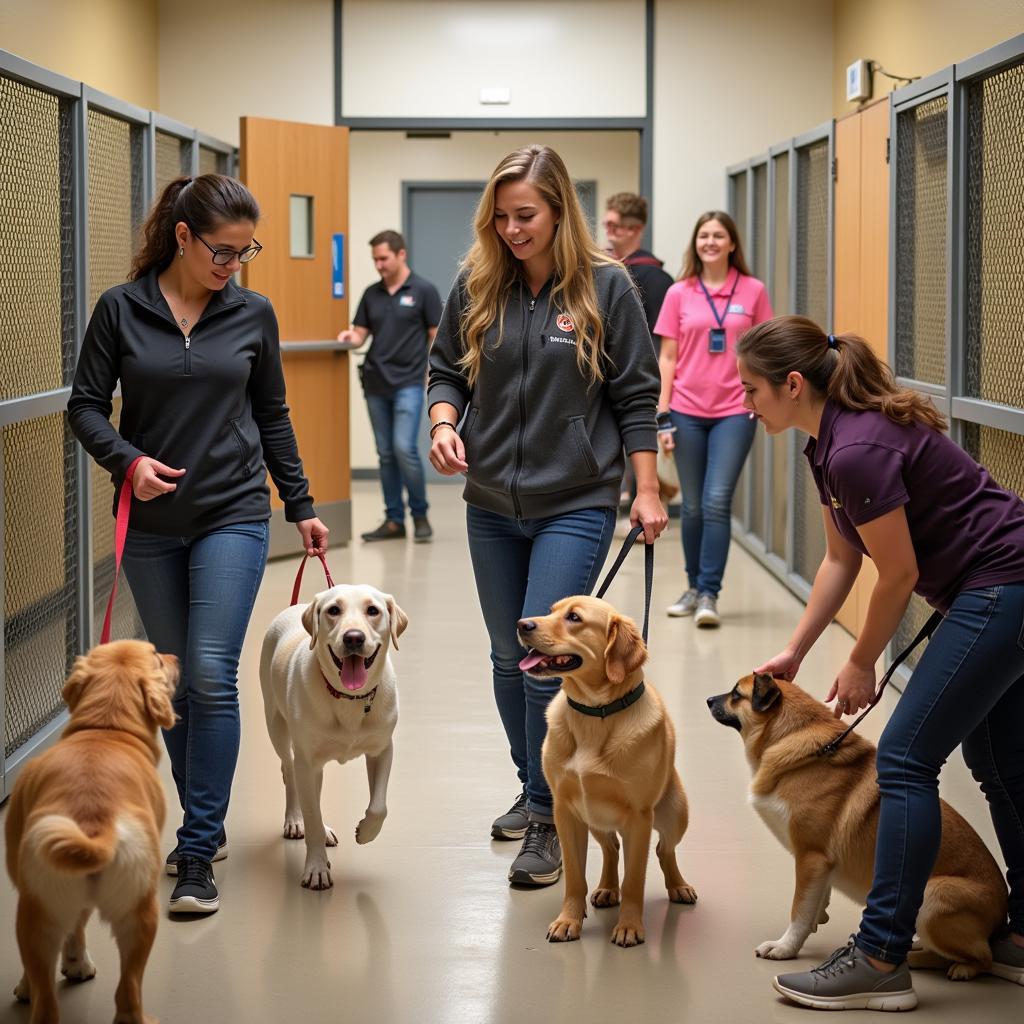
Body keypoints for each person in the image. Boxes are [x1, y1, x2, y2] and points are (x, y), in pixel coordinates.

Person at [736, 314, 1024, 1011]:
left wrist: (864, 661)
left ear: (793, 383)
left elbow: (896, 574)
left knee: (900, 760)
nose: (744, 402)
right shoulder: (825, 443)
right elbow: (842, 557)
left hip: (1002, 587)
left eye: (751, 389)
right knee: (998, 761)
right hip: (992, 587)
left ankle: (880, 954)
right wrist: (796, 651)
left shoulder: (858, 448)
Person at [68, 174, 328, 916]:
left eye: (246, 253)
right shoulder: (121, 309)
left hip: (234, 513)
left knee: (212, 672)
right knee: (176, 682)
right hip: (150, 525)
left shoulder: (252, 313)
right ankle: (200, 826)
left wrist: (300, 505)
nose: (234, 266)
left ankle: (196, 847)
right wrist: (128, 462)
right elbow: (85, 406)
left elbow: (272, 415)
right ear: (183, 238)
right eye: (224, 251)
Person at [427, 145, 666, 887]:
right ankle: (534, 784)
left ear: (559, 209)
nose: (511, 230)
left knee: (542, 662)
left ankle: (543, 818)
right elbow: (445, 370)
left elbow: (634, 396)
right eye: (499, 217)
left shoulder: (607, 287)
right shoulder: (477, 283)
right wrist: (442, 423)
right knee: (508, 656)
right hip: (491, 501)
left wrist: (648, 489)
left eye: (524, 215)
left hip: (577, 499)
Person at [653, 211, 772, 627]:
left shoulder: (753, 291)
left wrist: (765, 402)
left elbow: (766, 353)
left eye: (718, 235)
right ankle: (691, 586)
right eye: (703, 235)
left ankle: (709, 594)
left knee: (717, 501)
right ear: (696, 243)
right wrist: (662, 413)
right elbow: (667, 357)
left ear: (732, 243)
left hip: (736, 412)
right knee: (695, 506)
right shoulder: (679, 293)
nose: (710, 242)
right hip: (685, 409)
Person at [338, 230, 442, 543]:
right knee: (385, 454)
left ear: (400, 254)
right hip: (375, 383)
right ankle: (394, 520)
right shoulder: (372, 294)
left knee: (404, 449)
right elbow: (360, 334)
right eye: (375, 260)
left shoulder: (423, 290)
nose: (379, 265)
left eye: (383, 258)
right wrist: (348, 338)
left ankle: (420, 515)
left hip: (409, 382)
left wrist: (433, 375)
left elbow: (436, 337)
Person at [602, 192, 674, 512]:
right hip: (603, 373)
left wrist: (658, 396)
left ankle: (641, 499)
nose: (608, 231)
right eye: (607, 224)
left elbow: (659, 340)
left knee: (636, 438)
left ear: (633, 229)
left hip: (634, 375)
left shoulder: (655, 278)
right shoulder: (604, 270)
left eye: (614, 226)